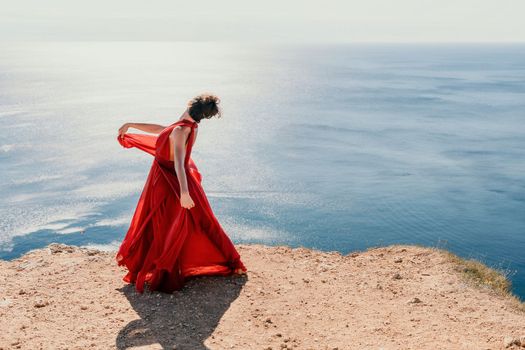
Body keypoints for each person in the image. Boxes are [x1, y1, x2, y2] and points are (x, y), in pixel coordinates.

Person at [115, 93, 247, 293]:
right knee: (194, 222)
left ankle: (170, 270)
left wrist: (184, 193)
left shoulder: (180, 130)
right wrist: (131, 124)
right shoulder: (186, 126)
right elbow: (161, 130)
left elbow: (179, 163)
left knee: (168, 224)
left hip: (170, 181)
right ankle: (219, 261)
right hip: (167, 177)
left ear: (189, 104)